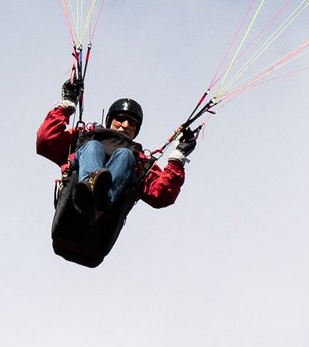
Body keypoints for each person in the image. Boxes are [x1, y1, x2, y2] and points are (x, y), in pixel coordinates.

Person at [37, 75, 196, 264]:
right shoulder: (84, 139)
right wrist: (66, 104)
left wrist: (178, 157)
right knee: (94, 147)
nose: (126, 125)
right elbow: (46, 141)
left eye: (132, 123)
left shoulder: (139, 162)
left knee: (124, 155)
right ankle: (89, 190)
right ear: (110, 120)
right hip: (72, 211)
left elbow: (163, 195)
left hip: (100, 228)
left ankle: (99, 200)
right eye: (120, 119)